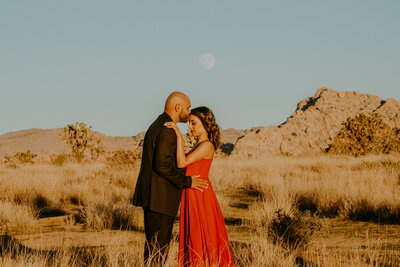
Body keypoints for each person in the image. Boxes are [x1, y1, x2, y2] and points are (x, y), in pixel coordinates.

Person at [131, 92, 209, 266]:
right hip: (160, 199)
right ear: (177, 107)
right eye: (188, 107)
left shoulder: (159, 124)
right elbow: (162, 165)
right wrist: (187, 182)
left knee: (154, 249)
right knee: (158, 250)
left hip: (155, 198)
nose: (189, 112)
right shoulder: (167, 129)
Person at [165, 106, 234, 267]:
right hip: (192, 192)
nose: (189, 127)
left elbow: (182, 163)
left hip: (200, 194)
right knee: (194, 232)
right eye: (189, 123)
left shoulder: (206, 146)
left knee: (202, 232)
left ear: (205, 124)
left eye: (193, 123)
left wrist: (178, 136)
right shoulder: (198, 145)